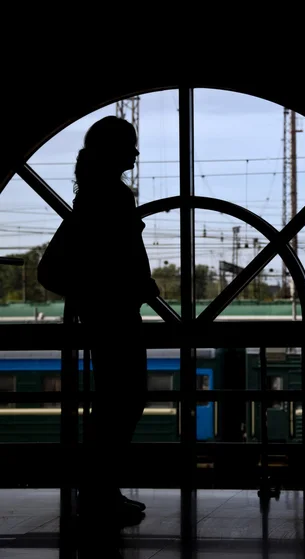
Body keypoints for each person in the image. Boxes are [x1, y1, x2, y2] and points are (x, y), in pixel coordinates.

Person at [67, 115, 160, 521]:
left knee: (112, 402)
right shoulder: (114, 196)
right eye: (130, 145)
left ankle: (99, 491)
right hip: (119, 313)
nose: (136, 153)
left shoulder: (90, 195)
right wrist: (141, 285)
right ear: (114, 151)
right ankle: (101, 492)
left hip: (101, 311)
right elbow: (125, 254)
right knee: (124, 401)